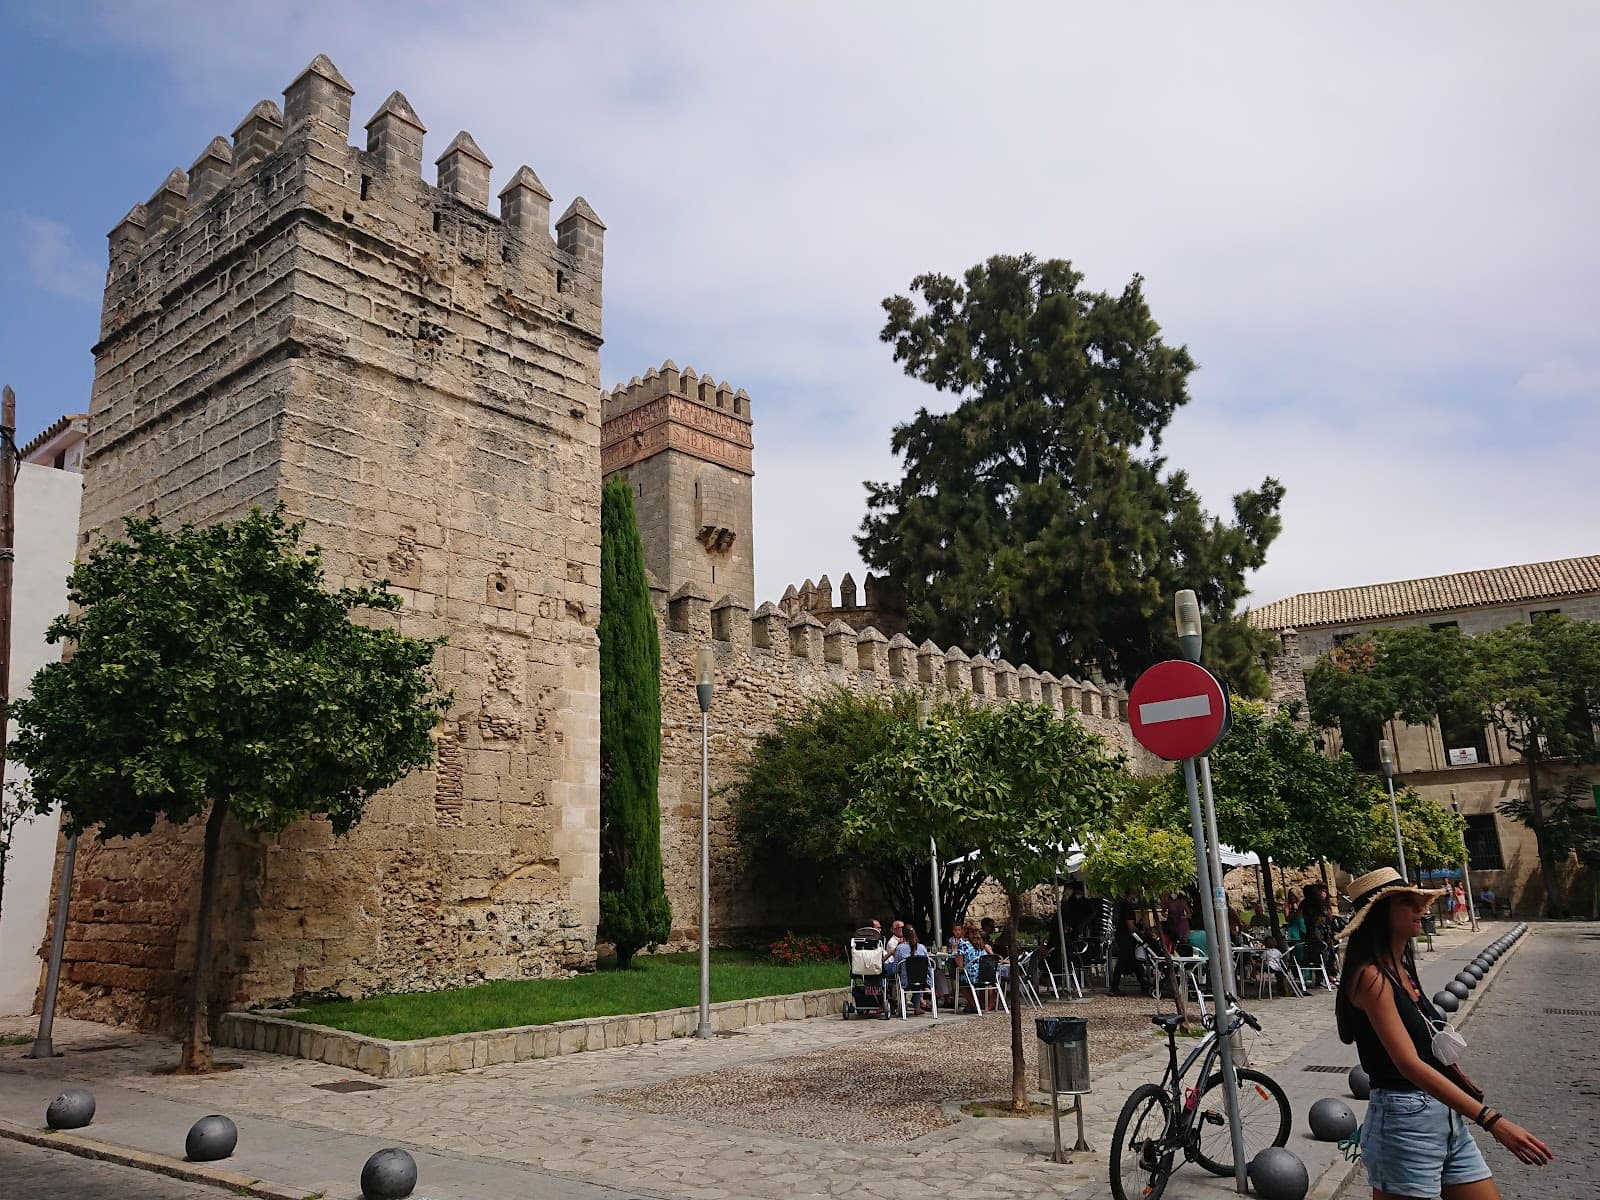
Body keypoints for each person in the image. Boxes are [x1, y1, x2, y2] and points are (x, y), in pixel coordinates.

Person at [1336, 868, 1552, 1198]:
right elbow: (1408, 1064)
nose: (1420, 909)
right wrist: (1492, 1121)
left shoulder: (1400, 969)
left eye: (1418, 901)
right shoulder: (1371, 977)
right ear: (1380, 914)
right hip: (1404, 1122)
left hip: (1444, 1116)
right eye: (1407, 903)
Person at [1108, 890, 1147, 996]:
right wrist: (1141, 933)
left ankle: (1143, 983)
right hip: (1127, 938)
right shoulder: (1127, 907)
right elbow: (1130, 926)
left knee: (1135, 961)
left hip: (1121, 936)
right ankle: (1114, 987)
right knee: (1124, 961)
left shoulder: (1120, 905)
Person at [893, 926, 931, 1013]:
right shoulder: (922, 947)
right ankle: (917, 1008)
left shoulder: (900, 948)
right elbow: (928, 965)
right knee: (917, 976)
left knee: (903, 977)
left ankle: (902, 1007)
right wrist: (929, 980)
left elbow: (895, 968)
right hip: (922, 981)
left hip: (906, 981)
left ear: (903, 936)